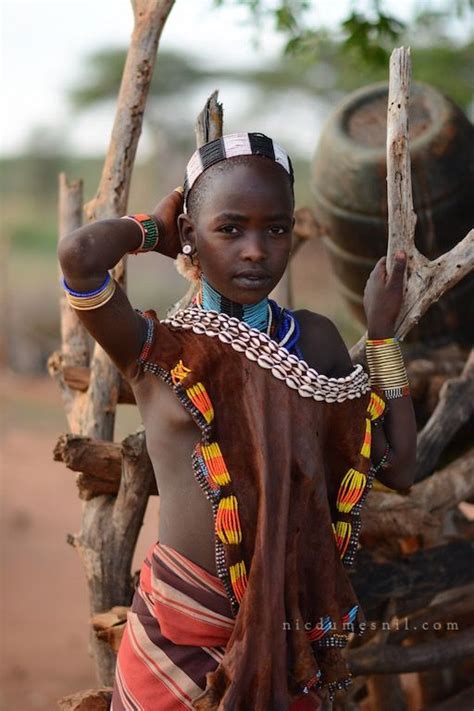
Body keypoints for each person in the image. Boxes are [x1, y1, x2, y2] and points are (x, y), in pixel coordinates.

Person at [58, 132, 416, 710]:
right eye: (229, 229)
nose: (256, 249)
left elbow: (399, 467)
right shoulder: (157, 348)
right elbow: (79, 257)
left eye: (276, 229)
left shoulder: (315, 340)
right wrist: (150, 228)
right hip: (175, 640)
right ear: (191, 238)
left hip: (285, 636)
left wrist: (380, 338)